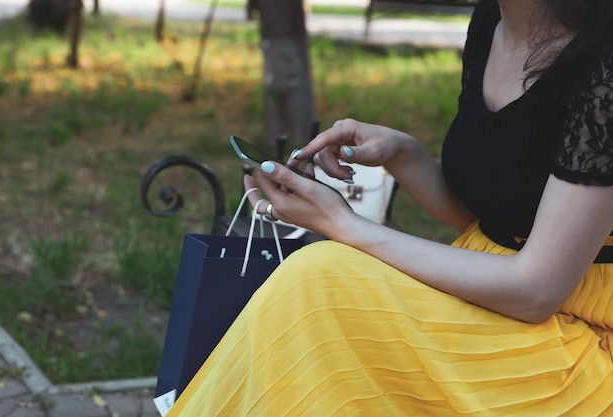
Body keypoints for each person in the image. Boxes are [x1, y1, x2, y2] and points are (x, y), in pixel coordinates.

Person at [168, 0, 613, 415]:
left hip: (583, 341)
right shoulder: (492, 24)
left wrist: (344, 225)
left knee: (322, 279)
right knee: (320, 293)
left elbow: (536, 290)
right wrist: (406, 156)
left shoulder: (602, 59)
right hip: (497, 300)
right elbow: (498, 223)